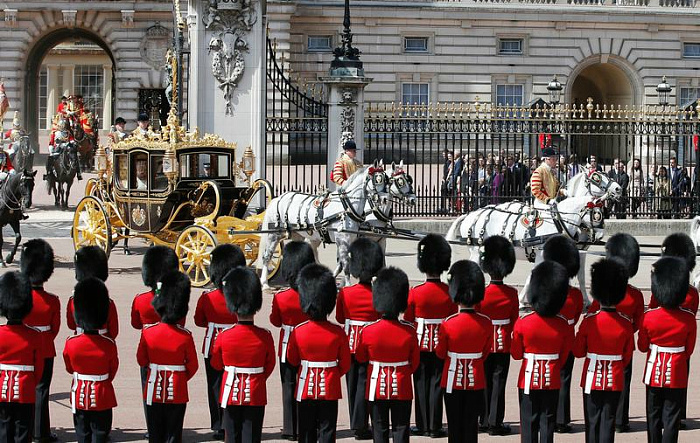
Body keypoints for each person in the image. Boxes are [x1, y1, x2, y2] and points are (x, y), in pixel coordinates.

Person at [286, 264, 351, 443]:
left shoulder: (299, 331)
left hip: (305, 385)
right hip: (330, 386)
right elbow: (345, 364)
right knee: (327, 429)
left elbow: (292, 360)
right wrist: (332, 373)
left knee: (306, 430)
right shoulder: (337, 332)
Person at [355, 267, 420, 443]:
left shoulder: (368, 330)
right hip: (402, 384)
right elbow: (414, 363)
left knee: (379, 428)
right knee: (401, 428)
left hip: (376, 385)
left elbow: (361, 357)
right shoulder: (409, 331)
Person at [210, 267, 276, 443]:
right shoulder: (265, 336)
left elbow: (216, 363)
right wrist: (257, 377)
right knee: (252, 436)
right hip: (256, 391)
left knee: (231, 436)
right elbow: (269, 365)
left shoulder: (224, 335)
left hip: (230, 390)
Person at [587, 233, 644, 433]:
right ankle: (621, 419)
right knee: (623, 382)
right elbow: (638, 322)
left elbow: (593, 315)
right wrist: (626, 332)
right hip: (624, 343)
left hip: (602, 344)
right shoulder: (636, 295)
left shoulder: (602, 295)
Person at [511, 260, 573, 443]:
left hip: (528, 377)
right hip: (551, 377)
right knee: (548, 422)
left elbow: (515, 354)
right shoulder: (562, 324)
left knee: (528, 423)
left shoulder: (523, 322)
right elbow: (563, 358)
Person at [573, 259, 634, 443]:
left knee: (592, 422)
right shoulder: (625, 323)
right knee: (609, 421)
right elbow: (627, 356)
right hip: (614, 377)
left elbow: (577, 351)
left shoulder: (590, 321)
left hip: (591, 375)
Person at [136, 271, 198, 443]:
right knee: (173, 434)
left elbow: (141, 360)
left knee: (155, 434)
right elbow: (193, 366)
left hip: (153, 386)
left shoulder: (149, 332)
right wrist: (179, 377)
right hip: (177, 389)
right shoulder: (185, 335)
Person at [639, 256, 696, 443]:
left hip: (654, 368)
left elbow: (642, 346)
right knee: (672, 417)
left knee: (653, 414)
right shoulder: (688, 318)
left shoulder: (649, 317)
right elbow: (688, 350)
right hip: (678, 370)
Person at [404, 234, 456, 438]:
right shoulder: (448, 291)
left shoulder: (415, 291)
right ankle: (434, 426)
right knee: (437, 384)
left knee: (420, 382)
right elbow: (452, 318)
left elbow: (408, 320)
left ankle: (422, 424)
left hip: (420, 342)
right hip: (442, 343)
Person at [434, 260, 491, 442]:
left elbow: (440, 353)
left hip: (452, 378)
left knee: (454, 425)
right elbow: (485, 352)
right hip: (476, 378)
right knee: (470, 426)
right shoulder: (485, 322)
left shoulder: (448, 323)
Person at [194, 244, 245, 441]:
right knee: (233, 384)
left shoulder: (207, 297)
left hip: (213, 344)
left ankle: (218, 425)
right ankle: (233, 422)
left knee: (215, 385)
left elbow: (199, 321)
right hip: (236, 342)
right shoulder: (240, 294)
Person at [335, 238, 384, 440]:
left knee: (354, 383)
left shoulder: (346, 293)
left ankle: (358, 423)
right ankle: (369, 423)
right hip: (373, 342)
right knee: (369, 382)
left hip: (352, 342)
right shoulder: (379, 293)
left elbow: (339, 318)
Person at [130, 246, 180, 439]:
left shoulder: (141, 300)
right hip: (173, 349)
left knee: (149, 391)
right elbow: (180, 322)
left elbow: (135, 324)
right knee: (172, 391)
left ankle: (153, 429)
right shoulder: (175, 298)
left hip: (148, 349)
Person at [64, 277, 119, 443]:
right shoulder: (108, 344)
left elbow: (69, 367)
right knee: (101, 433)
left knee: (82, 434)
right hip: (102, 393)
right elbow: (112, 370)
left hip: (79, 391)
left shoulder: (71, 343)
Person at [269, 241, 315, 441]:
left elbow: (275, 321)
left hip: (288, 344)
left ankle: (290, 427)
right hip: (309, 343)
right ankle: (306, 425)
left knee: (288, 383)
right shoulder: (313, 293)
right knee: (306, 383)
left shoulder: (282, 297)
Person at [542, 235, 584, 434]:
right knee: (564, 379)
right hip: (567, 337)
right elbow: (575, 317)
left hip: (549, 337)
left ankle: (547, 415)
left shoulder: (546, 290)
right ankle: (562, 419)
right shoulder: (575, 294)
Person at [20, 239, 60, 443]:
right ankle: (41, 432)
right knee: (42, 389)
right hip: (45, 346)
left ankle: (26, 428)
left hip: (23, 345)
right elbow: (55, 329)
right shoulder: (52, 300)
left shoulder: (21, 297)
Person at [476, 236, 517, 436]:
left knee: (484, 381)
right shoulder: (511, 293)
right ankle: (495, 422)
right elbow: (514, 320)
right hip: (503, 344)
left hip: (484, 342)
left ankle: (483, 419)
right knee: (499, 383)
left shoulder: (482, 293)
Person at [0, 271, 44, 443]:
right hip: (25, 389)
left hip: (2, 388)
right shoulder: (35, 335)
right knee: (23, 433)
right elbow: (38, 369)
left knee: (4, 431)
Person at [66, 246, 119, 339]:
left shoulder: (73, 301)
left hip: (78, 341)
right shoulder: (109, 303)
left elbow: (71, 325)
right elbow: (114, 331)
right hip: (104, 341)